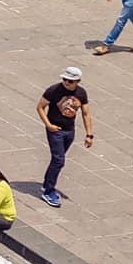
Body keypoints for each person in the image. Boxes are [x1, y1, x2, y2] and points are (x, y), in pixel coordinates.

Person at [35, 65, 93, 208]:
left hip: (69, 130)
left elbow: (86, 113)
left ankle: (46, 184)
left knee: (57, 160)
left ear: (77, 82)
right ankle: (48, 191)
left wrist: (89, 134)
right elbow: (40, 107)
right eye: (65, 79)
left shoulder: (81, 93)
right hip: (55, 130)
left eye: (70, 81)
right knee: (59, 160)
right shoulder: (53, 90)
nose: (66, 82)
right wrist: (48, 125)